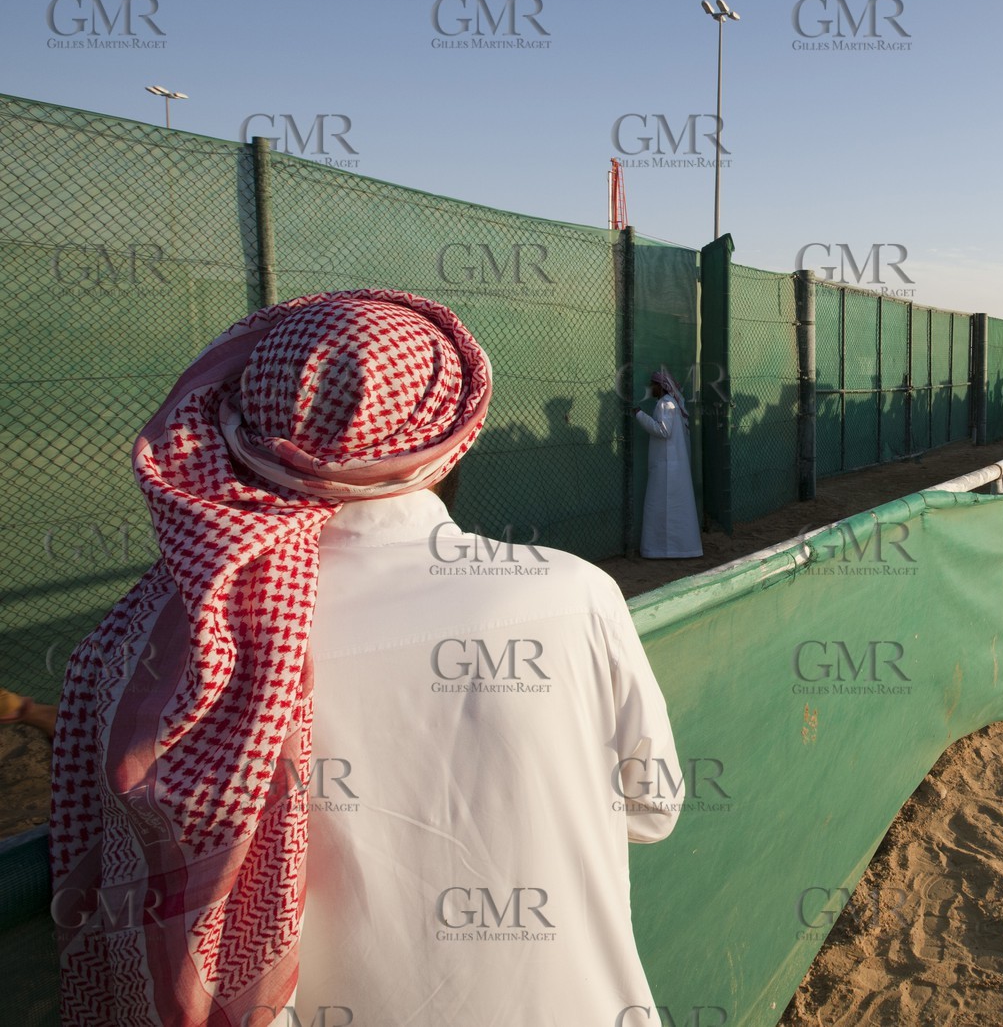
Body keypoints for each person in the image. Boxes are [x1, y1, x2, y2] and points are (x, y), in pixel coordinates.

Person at [49, 290, 682, 1026]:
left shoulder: (182, 644)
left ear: (250, 434)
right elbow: (654, 809)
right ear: (452, 435)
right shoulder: (576, 594)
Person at [632, 367, 703, 558]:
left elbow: (663, 430)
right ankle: (678, 549)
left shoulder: (666, 404)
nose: (650, 388)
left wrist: (639, 415)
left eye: (653, 385)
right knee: (670, 507)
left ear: (661, 386)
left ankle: (660, 550)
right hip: (670, 466)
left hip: (666, 467)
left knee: (660, 505)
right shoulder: (671, 403)